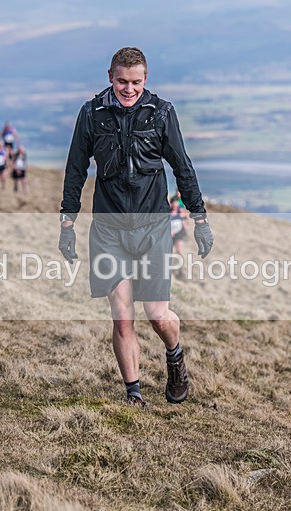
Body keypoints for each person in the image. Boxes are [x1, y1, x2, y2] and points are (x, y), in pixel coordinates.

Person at [59, 47, 214, 407]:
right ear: (109, 76)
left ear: (146, 80)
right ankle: (134, 394)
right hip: (109, 231)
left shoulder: (161, 113)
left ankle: (174, 356)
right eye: (122, 81)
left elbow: (182, 167)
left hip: (153, 228)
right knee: (123, 317)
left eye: (136, 82)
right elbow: (75, 169)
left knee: (158, 315)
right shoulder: (91, 114)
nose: (129, 89)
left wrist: (200, 218)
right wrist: (68, 223)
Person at [169, 195, 188, 278]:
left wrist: (185, 226)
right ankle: (169, 269)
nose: (175, 206)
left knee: (180, 251)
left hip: (179, 233)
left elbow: (186, 218)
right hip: (169, 235)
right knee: (170, 252)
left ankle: (180, 271)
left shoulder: (180, 212)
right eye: (174, 204)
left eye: (176, 204)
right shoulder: (167, 213)